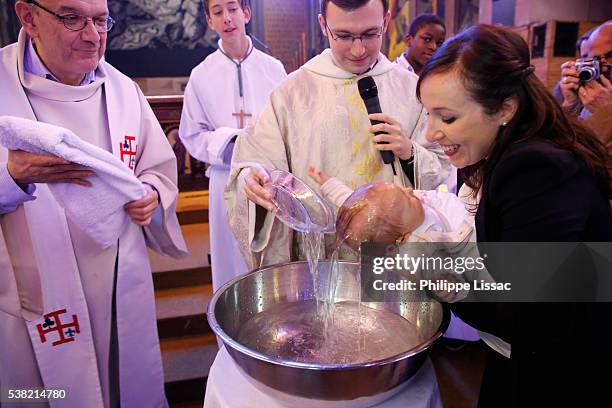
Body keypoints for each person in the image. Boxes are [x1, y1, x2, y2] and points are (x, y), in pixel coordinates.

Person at [0, 1, 187, 407]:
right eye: (72, 18)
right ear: (29, 17)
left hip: (120, 282)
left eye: (101, 20)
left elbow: (155, 168)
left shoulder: (123, 91)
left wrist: (151, 194)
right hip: (33, 292)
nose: (92, 36)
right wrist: (11, 177)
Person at [417, 24, 611, 407]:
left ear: (505, 107)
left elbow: (534, 320)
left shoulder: (535, 168)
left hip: (566, 372)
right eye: (428, 115)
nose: (429, 134)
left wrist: (439, 278)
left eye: (447, 118)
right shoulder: (512, 150)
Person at [226, 0, 450, 269]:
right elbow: (253, 165)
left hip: (393, 260)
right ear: (323, 25)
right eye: (343, 36)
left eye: (370, 34)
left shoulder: (412, 90)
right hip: (320, 261)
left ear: (386, 22)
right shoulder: (291, 94)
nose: (358, 50)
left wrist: (409, 152)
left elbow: (443, 170)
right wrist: (254, 181)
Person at [178, 0, 286, 291]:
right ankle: (231, 332)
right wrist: (227, 138)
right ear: (209, 21)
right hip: (225, 177)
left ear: (246, 13)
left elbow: (289, 126)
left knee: (270, 260)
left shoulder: (273, 69)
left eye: (232, 9)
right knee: (230, 263)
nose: (227, 18)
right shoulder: (201, 75)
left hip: (268, 180)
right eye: (217, 12)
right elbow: (191, 134)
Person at [553, 27, 594, 106]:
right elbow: (555, 117)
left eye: (597, 58)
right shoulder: (570, 84)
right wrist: (570, 103)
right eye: (587, 58)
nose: (592, 63)